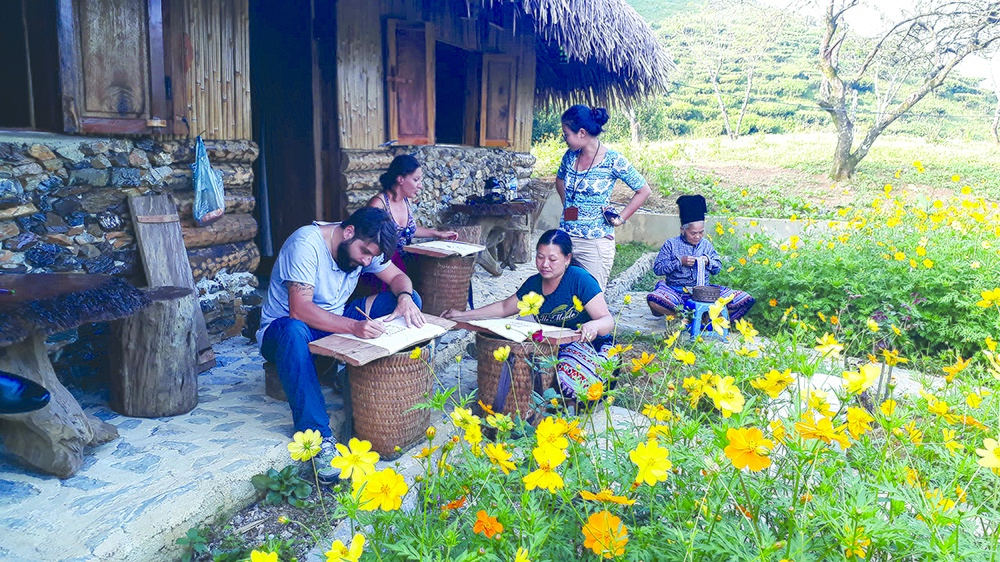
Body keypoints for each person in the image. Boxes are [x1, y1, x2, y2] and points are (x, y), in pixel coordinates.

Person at [256, 207, 425, 482]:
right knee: (293, 330)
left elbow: (397, 278)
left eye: (372, 256)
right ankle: (317, 435)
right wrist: (355, 327)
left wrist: (404, 296)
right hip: (286, 330)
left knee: (411, 302)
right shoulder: (305, 245)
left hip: (334, 320)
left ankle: (356, 377)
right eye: (365, 253)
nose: (366, 261)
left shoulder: (364, 243)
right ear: (348, 233)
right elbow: (300, 310)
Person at [442, 229, 615, 400]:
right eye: (540, 257)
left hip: (588, 345)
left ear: (567, 259)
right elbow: (504, 308)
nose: (545, 264)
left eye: (552, 259)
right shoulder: (534, 283)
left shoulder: (580, 280)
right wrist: (462, 315)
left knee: (569, 381)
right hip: (553, 346)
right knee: (517, 368)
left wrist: (593, 325)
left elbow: (607, 320)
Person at [556, 105, 651, 289]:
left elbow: (643, 190)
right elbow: (559, 180)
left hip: (595, 242)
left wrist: (621, 218)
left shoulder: (613, 160)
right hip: (566, 237)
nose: (564, 139)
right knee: (563, 295)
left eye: (566, 134)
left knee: (591, 297)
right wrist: (567, 205)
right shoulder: (569, 156)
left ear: (581, 133)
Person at [646, 194, 755, 321]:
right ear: (683, 230)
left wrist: (708, 261)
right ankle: (682, 318)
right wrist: (680, 262)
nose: (698, 236)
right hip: (676, 291)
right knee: (654, 300)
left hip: (705, 293)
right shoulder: (671, 244)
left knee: (744, 299)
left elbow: (717, 267)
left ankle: (707, 319)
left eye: (701, 232)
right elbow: (658, 269)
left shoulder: (706, 245)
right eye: (693, 233)